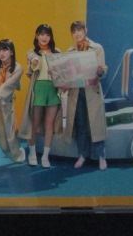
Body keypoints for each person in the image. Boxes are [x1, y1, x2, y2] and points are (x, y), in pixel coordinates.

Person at [63, 21, 109, 170]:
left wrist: (101, 71)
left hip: (92, 91)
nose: (77, 34)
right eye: (74, 31)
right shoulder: (70, 51)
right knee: (80, 124)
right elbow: (67, 73)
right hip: (76, 92)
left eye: (79, 30)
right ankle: (82, 155)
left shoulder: (97, 48)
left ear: (85, 30)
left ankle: (101, 156)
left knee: (96, 125)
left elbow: (103, 68)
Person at [18, 24, 63, 168]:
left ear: (51, 37)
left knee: (50, 124)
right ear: (37, 36)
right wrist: (34, 62)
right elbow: (30, 70)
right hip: (38, 89)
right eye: (42, 34)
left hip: (53, 90)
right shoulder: (32, 53)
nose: (44, 37)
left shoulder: (57, 52)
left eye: (47, 35)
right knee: (34, 123)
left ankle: (45, 156)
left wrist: (57, 73)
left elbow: (62, 73)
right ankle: (32, 153)